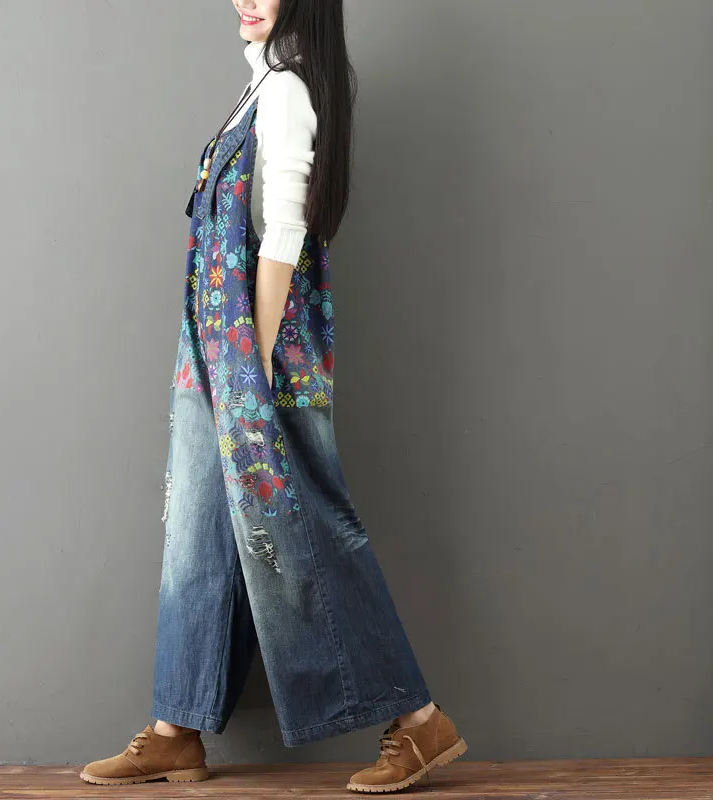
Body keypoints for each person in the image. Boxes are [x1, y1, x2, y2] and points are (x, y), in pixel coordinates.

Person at [79, 0, 467, 793]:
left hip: (259, 356)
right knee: (196, 532)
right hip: (210, 349)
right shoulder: (255, 91)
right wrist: (218, 360)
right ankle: (176, 729)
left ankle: (421, 722)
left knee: (303, 531)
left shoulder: (287, 91)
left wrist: (249, 366)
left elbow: (285, 233)